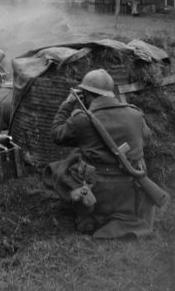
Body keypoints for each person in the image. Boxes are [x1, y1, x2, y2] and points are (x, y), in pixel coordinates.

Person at [43, 69, 154, 239]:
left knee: (59, 168)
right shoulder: (135, 114)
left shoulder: (82, 119)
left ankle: (86, 214)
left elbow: (57, 135)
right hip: (129, 187)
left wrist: (68, 103)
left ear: (86, 95)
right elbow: (146, 137)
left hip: (98, 192)